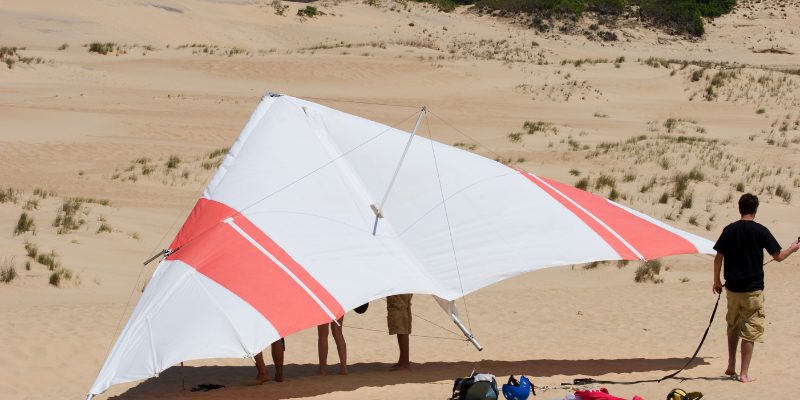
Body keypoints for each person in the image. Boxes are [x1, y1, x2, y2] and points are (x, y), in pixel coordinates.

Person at [712, 193, 799, 383]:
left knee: (733, 325)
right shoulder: (760, 230)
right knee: (750, 330)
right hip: (753, 290)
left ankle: (731, 362)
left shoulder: (729, 229)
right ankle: (743, 374)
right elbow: (779, 256)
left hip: (732, 289)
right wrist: (793, 248)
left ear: (739, 208)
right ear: (756, 209)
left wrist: (716, 281)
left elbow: (718, 257)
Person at [386, 294, 413, 371]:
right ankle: (403, 361)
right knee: (403, 318)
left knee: (400, 323)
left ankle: (404, 363)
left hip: (398, 291)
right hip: (404, 288)